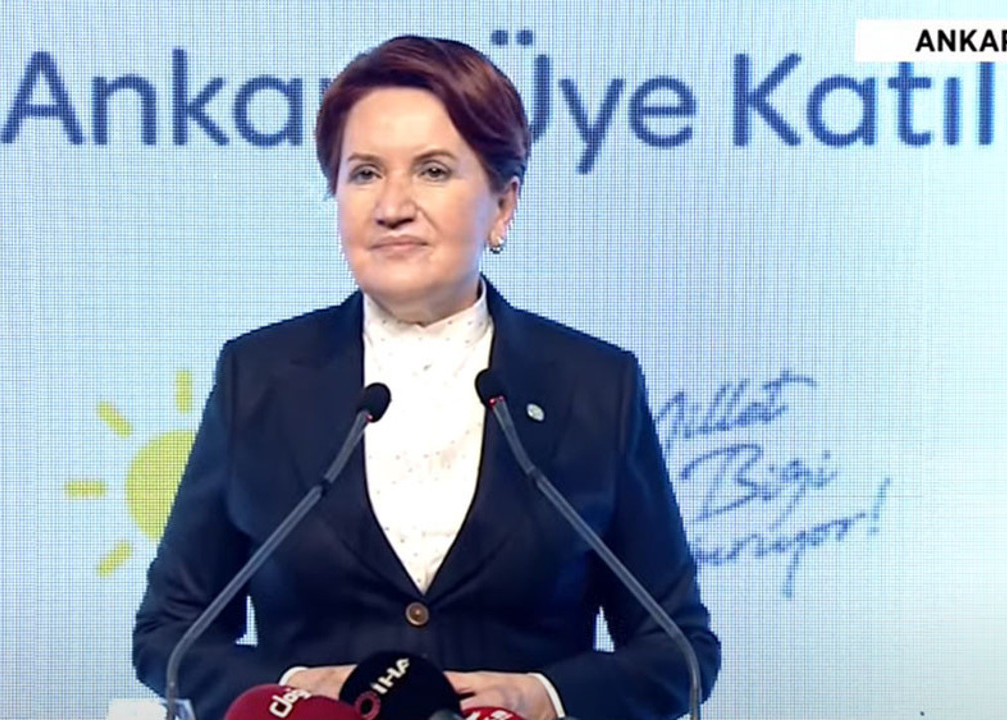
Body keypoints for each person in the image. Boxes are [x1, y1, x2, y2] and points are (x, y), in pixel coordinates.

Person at [133, 35, 720, 720]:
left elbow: (678, 650)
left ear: (503, 205)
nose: (392, 206)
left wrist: (544, 697)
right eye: (364, 174)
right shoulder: (259, 377)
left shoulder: (594, 386)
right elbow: (170, 632)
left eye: (433, 171)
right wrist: (294, 689)